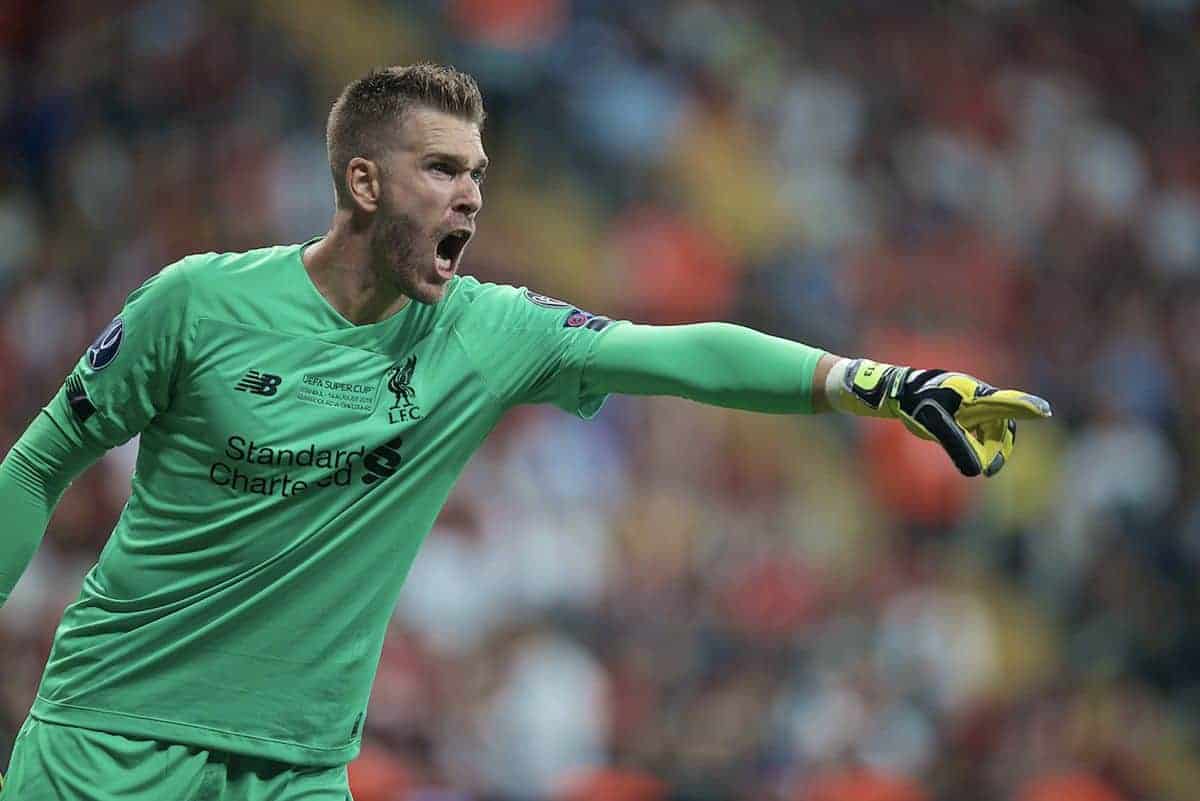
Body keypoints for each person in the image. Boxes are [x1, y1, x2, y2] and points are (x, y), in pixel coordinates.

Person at [0, 63, 1050, 800]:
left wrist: (871, 381)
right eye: (442, 171)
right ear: (363, 184)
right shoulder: (197, 304)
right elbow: (41, 463)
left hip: (295, 769)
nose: (470, 198)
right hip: (110, 741)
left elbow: (680, 353)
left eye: (480, 177)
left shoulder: (486, 329)